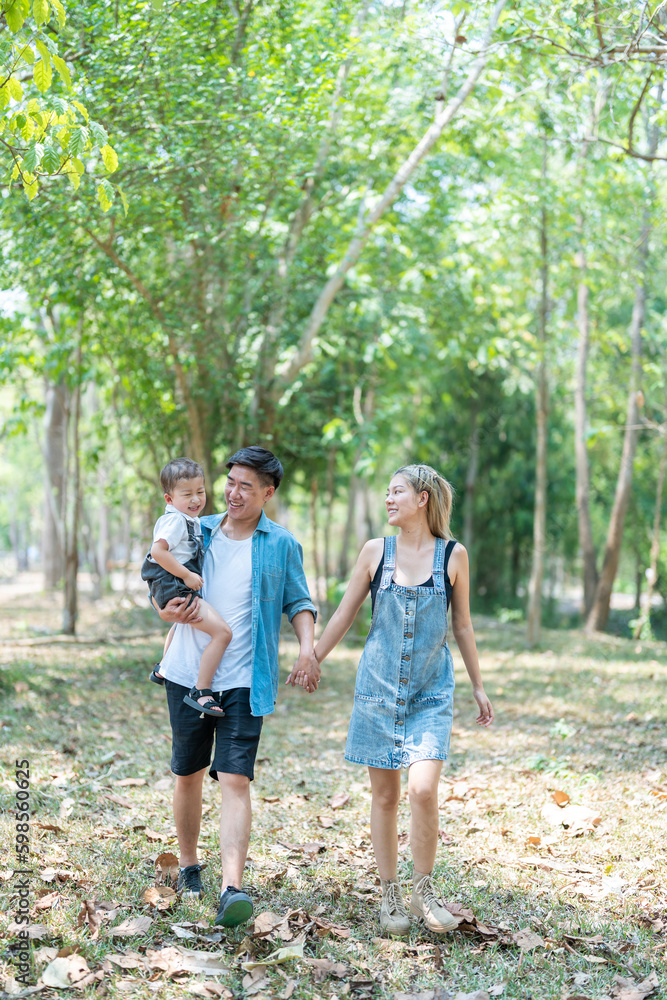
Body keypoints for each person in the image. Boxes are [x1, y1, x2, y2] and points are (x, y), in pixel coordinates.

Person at [305, 464, 493, 937]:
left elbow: (464, 625)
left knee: (422, 789)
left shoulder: (454, 555)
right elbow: (345, 613)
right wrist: (313, 657)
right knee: (385, 795)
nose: (388, 499)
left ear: (423, 498)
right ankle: (390, 894)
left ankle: (423, 890)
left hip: (431, 691)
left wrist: (478, 684)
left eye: (397, 492)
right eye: (386, 492)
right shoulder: (375, 552)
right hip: (377, 691)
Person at [153, 446, 320, 927]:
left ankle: (232, 887)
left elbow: (299, 601)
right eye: (230, 483)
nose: (233, 493)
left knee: (235, 778)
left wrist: (307, 647)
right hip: (188, 673)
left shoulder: (281, 543)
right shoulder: (195, 528)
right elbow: (158, 585)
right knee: (187, 772)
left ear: (268, 493)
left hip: (246, 679)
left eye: (247, 486)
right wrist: (165, 610)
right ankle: (188, 868)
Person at [142, 457, 232, 716]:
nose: (195, 499)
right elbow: (158, 551)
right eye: (187, 494)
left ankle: (162, 667)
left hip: (173, 585)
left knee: (179, 624)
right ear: (169, 499)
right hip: (176, 585)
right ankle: (202, 690)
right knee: (222, 633)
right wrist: (187, 576)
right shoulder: (175, 521)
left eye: (200, 492)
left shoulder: (189, 520)